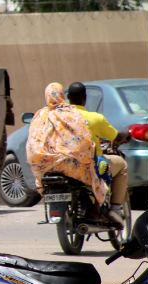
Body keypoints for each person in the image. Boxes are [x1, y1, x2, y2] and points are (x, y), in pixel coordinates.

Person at [26, 82, 107, 205]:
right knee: (97, 170)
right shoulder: (71, 112)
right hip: (69, 167)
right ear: (63, 95)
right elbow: (84, 139)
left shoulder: (39, 115)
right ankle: (95, 207)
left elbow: (32, 142)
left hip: (44, 168)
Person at [66, 81, 131, 225]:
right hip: (90, 163)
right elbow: (116, 137)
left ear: (68, 97)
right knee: (121, 165)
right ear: (85, 97)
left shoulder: (59, 119)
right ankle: (115, 208)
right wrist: (126, 133)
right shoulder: (95, 118)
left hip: (65, 164)